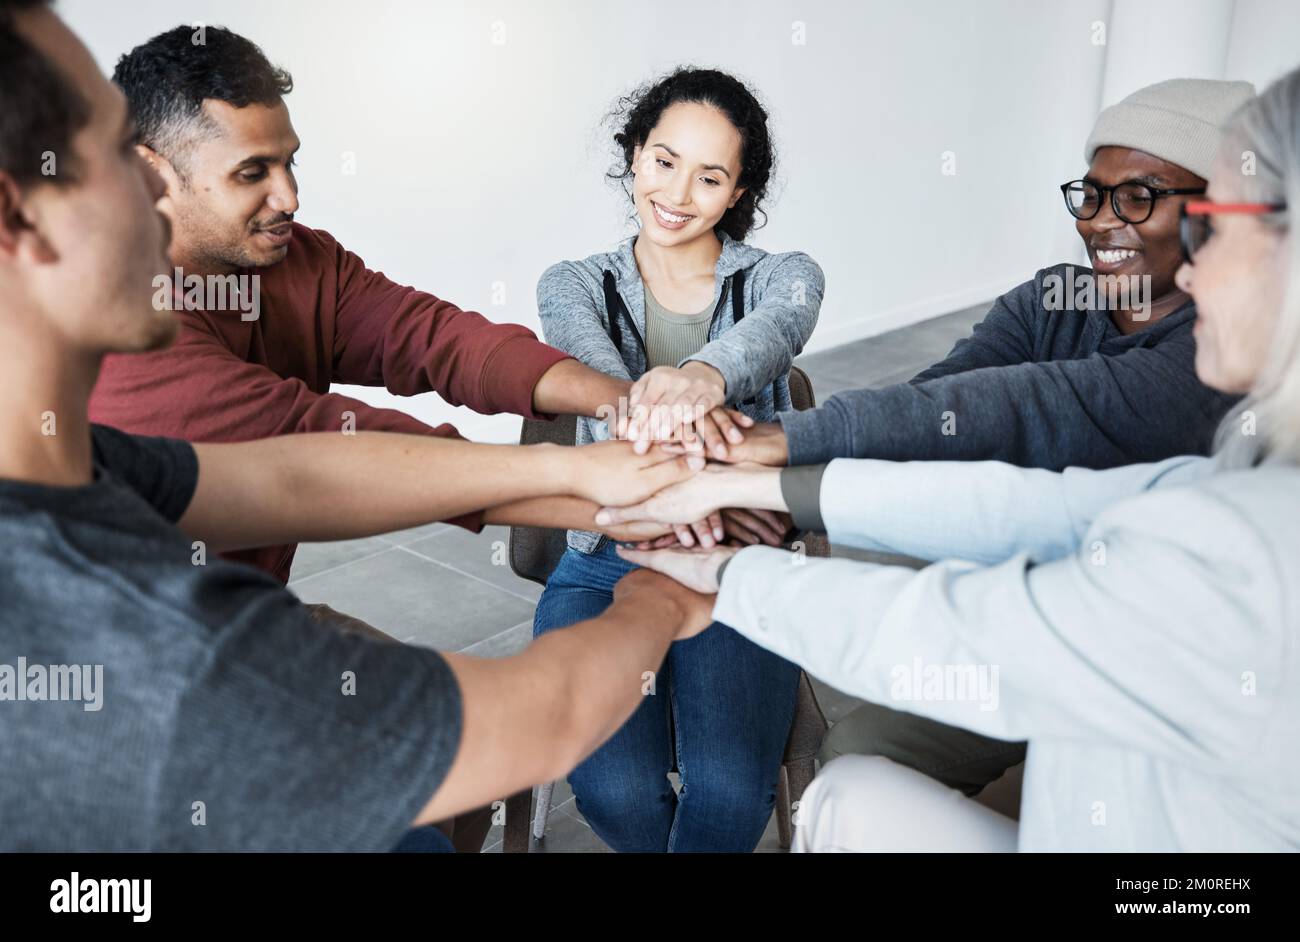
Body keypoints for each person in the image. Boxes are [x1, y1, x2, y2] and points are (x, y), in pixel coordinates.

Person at [0, 0, 714, 852]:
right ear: (20, 215)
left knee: (450, 802)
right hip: (221, 706)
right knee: (441, 792)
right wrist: (661, 597)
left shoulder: (90, 465)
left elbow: (300, 466)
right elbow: (541, 718)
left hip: (243, 647)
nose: (289, 197)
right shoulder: (141, 629)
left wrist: (609, 434)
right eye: (117, 159)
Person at [606, 64, 1299, 852]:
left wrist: (744, 535)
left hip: (1083, 697)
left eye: (1150, 202)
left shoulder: (1232, 497)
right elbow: (1011, 483)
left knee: (836, 790)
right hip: (1068, 663)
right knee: (848, 782)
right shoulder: (1214, 452)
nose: (1105, 223)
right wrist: (774, 491)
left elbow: (1026, 420)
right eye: (1094, 194)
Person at [89, 24, 659, 586]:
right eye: (252, 172)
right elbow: (313, 456)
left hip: (242, 605)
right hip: (137, 631)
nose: (289, 198)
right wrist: (605, 487)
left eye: (289, 163)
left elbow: (434, 338)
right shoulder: (113, 322)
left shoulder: (301, 260)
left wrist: (627, 404)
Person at [532, 67, 825, 852]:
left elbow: (782, 325)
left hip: (738, 557)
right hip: (606, 557)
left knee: (729, 792)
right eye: (664, 161)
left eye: (711, 177)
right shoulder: (572, 286)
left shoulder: (781, 278)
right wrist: (708, 443)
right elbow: (608, 402)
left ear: (737, 193)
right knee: (614, 791)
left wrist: (701, 378)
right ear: (634, 154)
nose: (678, 193)